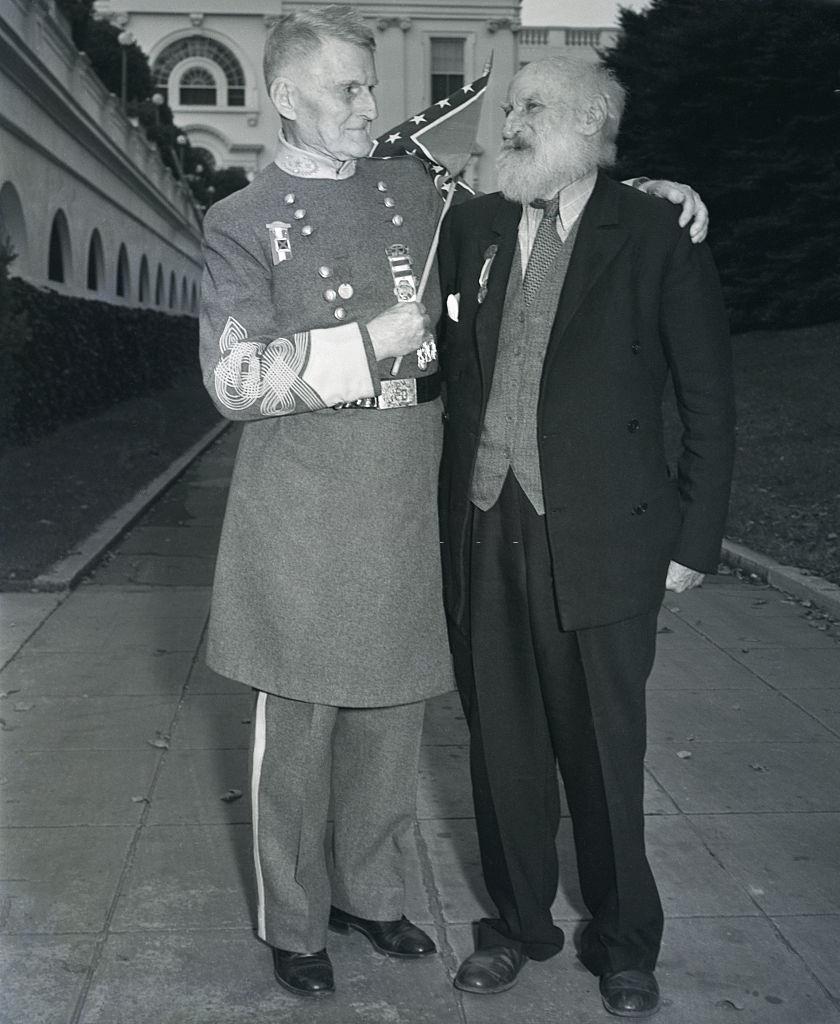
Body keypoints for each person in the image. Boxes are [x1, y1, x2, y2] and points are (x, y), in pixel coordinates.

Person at [199, 5, 710, 1001]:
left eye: (367, 84)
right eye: (345, 88)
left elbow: (546, 198)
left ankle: (371, 892)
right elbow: (232, 380)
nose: (368, 103)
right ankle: (296, 918)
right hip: (302, 506)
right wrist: (362, 345)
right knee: (299, 728)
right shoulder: (241, 219)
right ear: (287, 101)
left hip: (406, 499)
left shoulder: (414, 194)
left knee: (392, 713)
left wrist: (648, 190)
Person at [437, 57, 735, 1019]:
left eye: (531, 109)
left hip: (606, 538)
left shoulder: (654, 232)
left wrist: (694, 541)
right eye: (510, 107)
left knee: (604, 749)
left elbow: (709, 405)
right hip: (487, 526)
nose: (510, 123)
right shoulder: (475, 226)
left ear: (593, 123)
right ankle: (517, 924)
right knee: (502, 746)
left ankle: (622, 941)